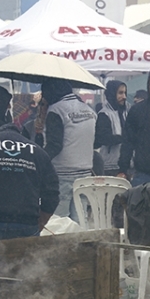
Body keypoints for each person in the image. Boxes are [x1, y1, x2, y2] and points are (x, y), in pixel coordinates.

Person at [39, 79, 96, 218]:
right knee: (80, 221)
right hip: (85, 173)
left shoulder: (56, 110)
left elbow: (55, 145)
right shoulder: (90, 110)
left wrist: (39, 160)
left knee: (59, 222)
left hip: (62, 174)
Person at [94, 80, 129, 178]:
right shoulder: (104, 114)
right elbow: (103, 138)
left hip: (127, 163)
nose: (124, 97)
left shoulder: (126, 112)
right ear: (112, 94)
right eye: (120, 93)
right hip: (110, 166)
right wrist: (124, 138)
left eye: (125, 93)